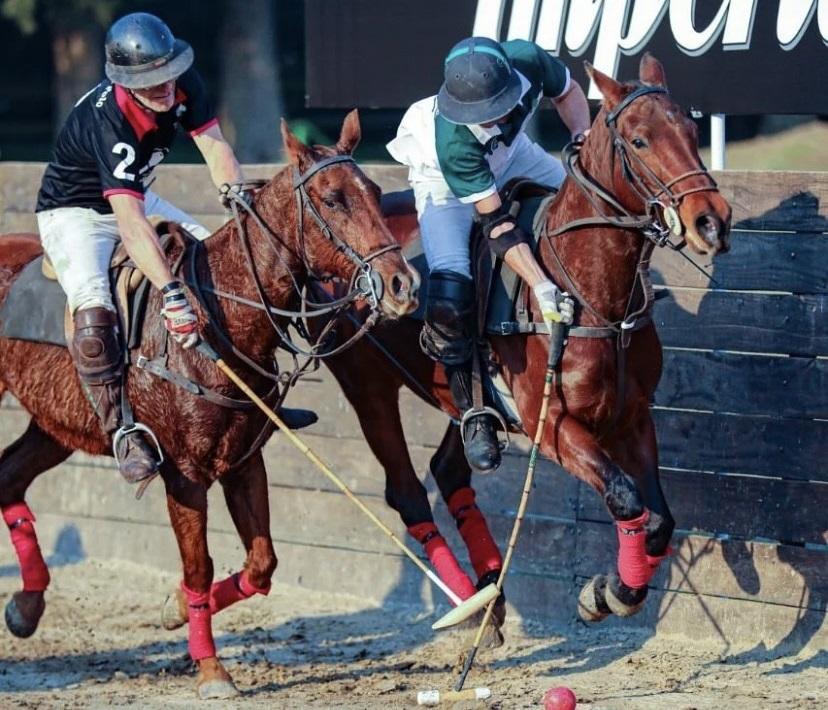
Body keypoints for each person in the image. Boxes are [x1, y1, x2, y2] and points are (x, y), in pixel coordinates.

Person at [35, 12, 307, 486]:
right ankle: (122, 429)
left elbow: (215, 147)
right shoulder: (109, 121)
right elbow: (129, 222)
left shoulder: (183, 83)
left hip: (137, 193)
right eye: (151, 81)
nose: (164, 87)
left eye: (167, 74)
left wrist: (240, 202)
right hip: (76, 213)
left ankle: (262, 395)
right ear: (126, 81)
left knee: (228, 266)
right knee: (95, 315)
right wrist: (171, 292)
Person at [387, 37, 590, 473]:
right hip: (446, 186)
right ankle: (474, 411)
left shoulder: (527, 60)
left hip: (516, 154)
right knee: (451, 286)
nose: (492, 116)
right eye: (482, 113)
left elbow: (569, 93)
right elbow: (497, 226)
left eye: (497, 105)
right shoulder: (454, 144)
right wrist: (541, 284)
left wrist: (581, 138)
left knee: (591, 207)